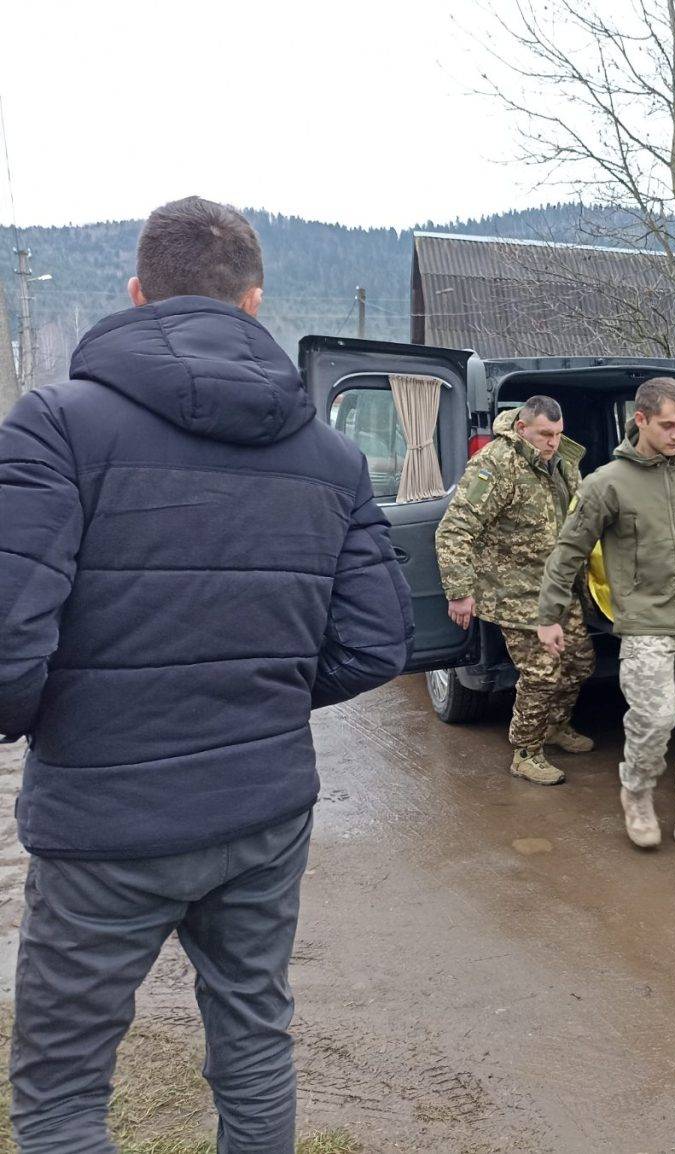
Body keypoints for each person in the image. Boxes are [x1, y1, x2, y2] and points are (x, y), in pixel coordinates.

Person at [0, 197, 413, 1150]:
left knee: (62, 1095)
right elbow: (374, 643)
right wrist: (260, 693)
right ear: (255, 303)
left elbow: (9, 651)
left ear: (138, 294)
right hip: (260, 815)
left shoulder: (55, 426)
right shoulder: (334, 456)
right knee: (255, 1042)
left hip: (105, 819)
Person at [536, 377, 675, 857]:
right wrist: (548, 614)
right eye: (667, 425)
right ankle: (636, 793)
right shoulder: (606, 483)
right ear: (642, 420)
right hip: (646, 622)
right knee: (653, 718)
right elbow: (568, 551)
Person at [436, 397, 594, 785]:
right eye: (545, 434)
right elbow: (454, 529)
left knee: (579, 663)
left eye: (558, 434)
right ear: (522, 429)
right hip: (516, 591)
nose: (553, 442)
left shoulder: (562, 462)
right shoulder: (496, 464)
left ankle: (555, 726)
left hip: (558, 588)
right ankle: (526, 752)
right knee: (541, 674)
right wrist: (459, 591)